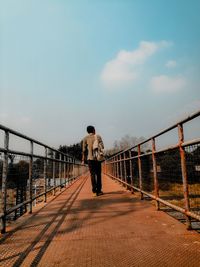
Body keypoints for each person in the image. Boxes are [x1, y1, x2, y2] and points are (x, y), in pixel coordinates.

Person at [82, 125, 104, 196]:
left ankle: (94, 191)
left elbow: (84, 150)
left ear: (87, 131)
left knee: (92, 174)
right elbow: (102, 147)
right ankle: (99, 191)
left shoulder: (85, 138)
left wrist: (83, 159)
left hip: (90, 158)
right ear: (94, 130)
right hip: (97, 158)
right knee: (98, 174)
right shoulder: (98, 136)